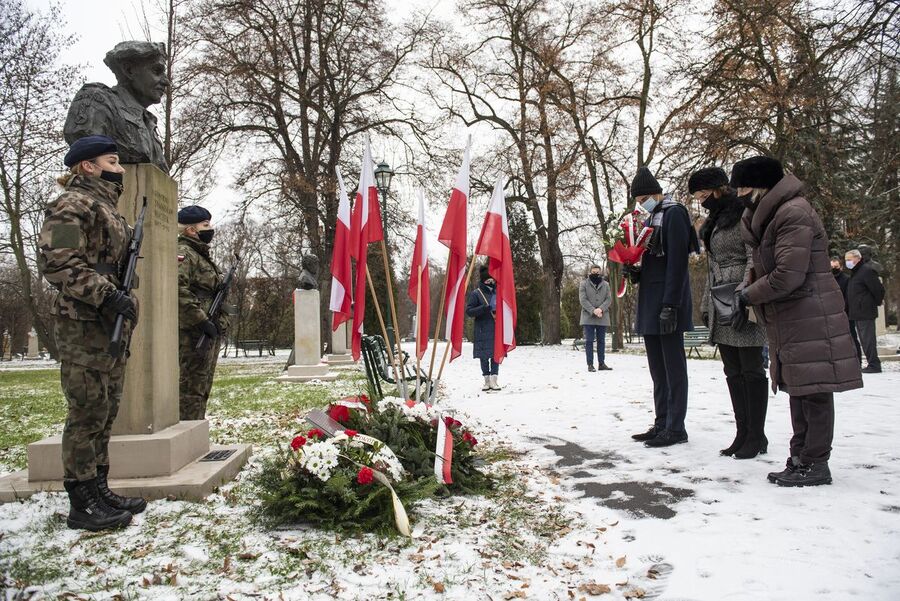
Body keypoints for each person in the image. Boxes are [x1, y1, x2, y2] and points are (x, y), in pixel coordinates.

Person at [730, 156, 862, 487]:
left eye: (744, 188)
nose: (739, 195)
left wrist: (750, 295)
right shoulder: (768, 216)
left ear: (761, 187)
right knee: (798, 388)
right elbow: (765, 266)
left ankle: (816, 462)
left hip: (810, 312)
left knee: (814, 390)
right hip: (790, 315)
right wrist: (745, 286)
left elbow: (788, 274)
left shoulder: (793, 212)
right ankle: (800, 456)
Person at [38, 135, 147, 531]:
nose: (119, 168)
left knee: (106, 409)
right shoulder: (70, 205)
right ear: (88, 166)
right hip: (82, 323)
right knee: (86, 412)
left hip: (107, 323)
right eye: (112, 161)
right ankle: (81, 500)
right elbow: (59, 263)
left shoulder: (107, 209)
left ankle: (100, 488)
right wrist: (107, 296)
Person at [691, 167, 769, 459]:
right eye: (696, 195)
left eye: (702, 193)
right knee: (732, 371)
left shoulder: (743, 214)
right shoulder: (713, 220)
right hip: (719, 300)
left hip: (741, 299)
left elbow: (753, 256)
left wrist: (745, 295)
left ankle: (756, 435)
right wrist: (704, 304)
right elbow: (711, 267)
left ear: (718, 188)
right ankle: (742, 432)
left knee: (751, 369)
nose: (700, 199)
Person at [625, 166, 700, 447]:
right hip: (651, 299)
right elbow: (651, 260)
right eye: (637, 199)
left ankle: (676, 427)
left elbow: (678, 263)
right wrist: (635, 271)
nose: (640, 203)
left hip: (669, 301)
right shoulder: (651, 218)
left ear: (656, 192)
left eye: (643, 197)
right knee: (658, 367)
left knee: (673, 367)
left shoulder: (674, 214)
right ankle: (662, 421)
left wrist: (671, 304)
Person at [64, 41, 170, 172]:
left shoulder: (149, 121)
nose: (166, 81)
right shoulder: (97, 101)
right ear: (129, 70)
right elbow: (86, 147)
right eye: (157, 71)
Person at [177, 206, 228, 420]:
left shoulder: (201, 255)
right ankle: (188, 427)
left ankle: (196, 426)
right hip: (193, 331)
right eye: (205, 225)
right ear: (190, 230)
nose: (211, 229)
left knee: (202, 386)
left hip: (208, 330)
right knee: (190, 388)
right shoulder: (184, 253)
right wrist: (201, 319)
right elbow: (178, 289)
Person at [845, 248, 885, 374]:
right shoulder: (856, 272)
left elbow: (878, 289)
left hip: (865, 311)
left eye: (849, 259)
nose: (848, 262)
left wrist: (874, 303)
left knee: (868, 340)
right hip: (857, 312)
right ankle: (871, 363)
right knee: (864, 340)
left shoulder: (866, 271)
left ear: (858, 258)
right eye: (846, 260)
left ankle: (874, 364)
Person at [466, 265, 500, 391]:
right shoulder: (476, 293)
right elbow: (469, 311)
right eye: (488, 280)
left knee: (496, 355)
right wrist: (482, 309)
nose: (490, 282)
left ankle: (494, 380)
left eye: (492, 279)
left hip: (496, 328)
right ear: (483, 280)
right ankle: (486, 380)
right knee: (484, 356)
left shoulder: (499, 292)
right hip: (482, 329)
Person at [579, 265, 612, 371]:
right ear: (590, 272)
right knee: (589, 341)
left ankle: (601, 364)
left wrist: (600, 309)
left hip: (602, 316)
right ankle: (590, 364)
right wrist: (593, 310)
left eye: (597, 272)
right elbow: (583, 300)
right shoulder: (583, 284)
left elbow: (609, 299)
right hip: (588, 316)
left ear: (600, 273)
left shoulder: (606, 285)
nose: (595, 274)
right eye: (593, 272)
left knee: (601, 341)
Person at [831, 257, 861, 362]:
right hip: (831, 315)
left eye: (836, 266)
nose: (834, 268)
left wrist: (844, 310)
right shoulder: (827, 280)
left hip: (845, 313)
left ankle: (858, 360)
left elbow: (849, 297)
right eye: (832, 267)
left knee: (852, 337)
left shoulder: (847, 279)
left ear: (841, 267)